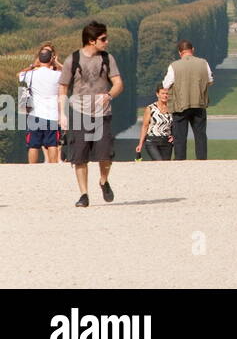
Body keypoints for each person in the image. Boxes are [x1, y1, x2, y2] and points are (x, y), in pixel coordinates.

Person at [58, 22, 124, 207]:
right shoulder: (72, 60)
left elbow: (119, 83)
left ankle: (103, 180)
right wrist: (62, 114)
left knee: (105, 154)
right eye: (103, 39)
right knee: (79, 156)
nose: (107, 41)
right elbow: (63, 88)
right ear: (91, 40)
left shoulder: (107, 58)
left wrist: (109, 95)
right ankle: (84, 194)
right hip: (79, 113)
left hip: (102, 113)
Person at [163, 40, 213, 161]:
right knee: (200, 135)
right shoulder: (203, 63)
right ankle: (201, 160)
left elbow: (166, 84)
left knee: (180, 137)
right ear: (193, 50)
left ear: (180, 52)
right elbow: (210, 80)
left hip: (180, 105)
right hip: (199, 104)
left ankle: (180, 161)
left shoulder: (174, 66)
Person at [18, 44, 62, 163]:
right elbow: (68, 75)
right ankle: (53, 167)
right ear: (51, 58)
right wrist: (56, 63)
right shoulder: (57, 74)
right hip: (52, 114)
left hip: (35, 113)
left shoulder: (31, 74)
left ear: (39, 58)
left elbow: (19, 75)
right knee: (52, 143)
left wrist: (33, 65)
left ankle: (32, 168)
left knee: (33, 145)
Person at [134, 84, 174, 161]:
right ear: (157, 94)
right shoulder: (150, 108)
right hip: (152, 141)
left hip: (166, 142)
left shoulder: (172, 109)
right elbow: (145, 126)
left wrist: (174, 136)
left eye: (167, 94)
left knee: (166, 165)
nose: (165, 96)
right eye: (162, 93)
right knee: (159, 161)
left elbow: (175, 125)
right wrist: (140, 144)